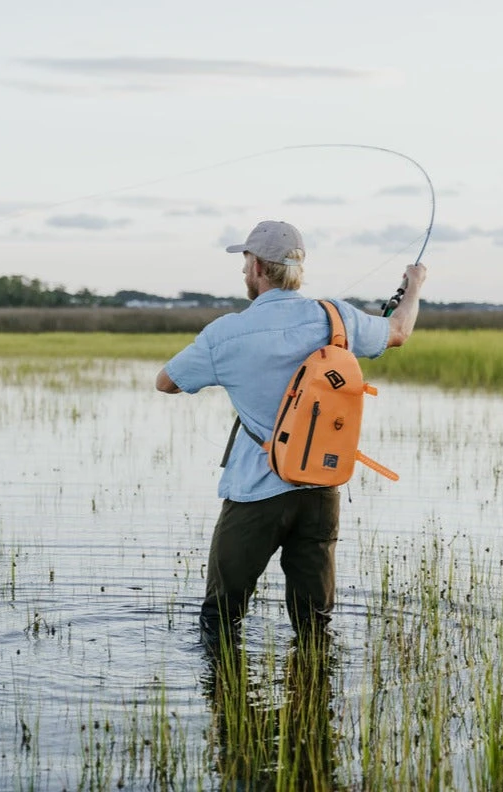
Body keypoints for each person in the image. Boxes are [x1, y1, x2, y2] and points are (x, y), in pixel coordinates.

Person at [155, 220, 427, 648]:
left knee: (221, 621)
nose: (244, 272)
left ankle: (226, 703)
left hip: (254, 495)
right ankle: (314, 702)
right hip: (321, 488)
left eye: (245, 262)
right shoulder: (336, 316)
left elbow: (166, 382)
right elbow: (398, 332)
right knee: (315, 625)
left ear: (259, 268)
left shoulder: (226, 332)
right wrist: (413, 287)